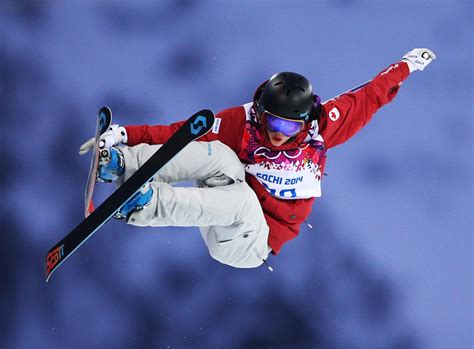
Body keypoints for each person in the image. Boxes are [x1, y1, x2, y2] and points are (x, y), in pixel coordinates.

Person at [80, 48, 436, 270]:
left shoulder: (322, 130)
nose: (277, 131)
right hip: (219, 208)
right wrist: (125, 136)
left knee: (243, 201)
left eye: (288, 124)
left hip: (251, 244)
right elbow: (182, 133)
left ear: (304, 120)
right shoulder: (243, 122)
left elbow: (369, 96)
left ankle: (142, 205)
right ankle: (122, 165)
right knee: (218, 153)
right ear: (261, 111)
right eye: (271, 120)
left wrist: (405, 66)